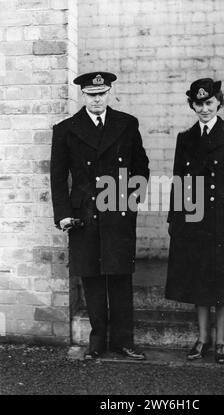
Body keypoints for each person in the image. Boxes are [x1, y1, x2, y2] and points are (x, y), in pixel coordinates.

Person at [50, 71, 149, 360]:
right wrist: (63, 214)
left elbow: (141, 166)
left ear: (109, 93)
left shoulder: (127, 124)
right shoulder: (66, 129)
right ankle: (97, 342)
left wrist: (131, 199)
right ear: (83, 95)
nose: (97, 100)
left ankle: (123, 341)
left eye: (102, 94)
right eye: (92, 95)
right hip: (85, 214)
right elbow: (58, 177)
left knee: (120, 278)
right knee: (91, 278)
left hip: (118, 211)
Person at [165, 78, 224, 364]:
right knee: (199, 279)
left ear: (219, 103)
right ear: (192, 105)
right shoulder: (186, 139)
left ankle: (220, 341)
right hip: (194, 217)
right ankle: (202, 339)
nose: (204, 109)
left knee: (223, 280)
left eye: (209, 103)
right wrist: (175, 220)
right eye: (199, 104)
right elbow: (179, 182)